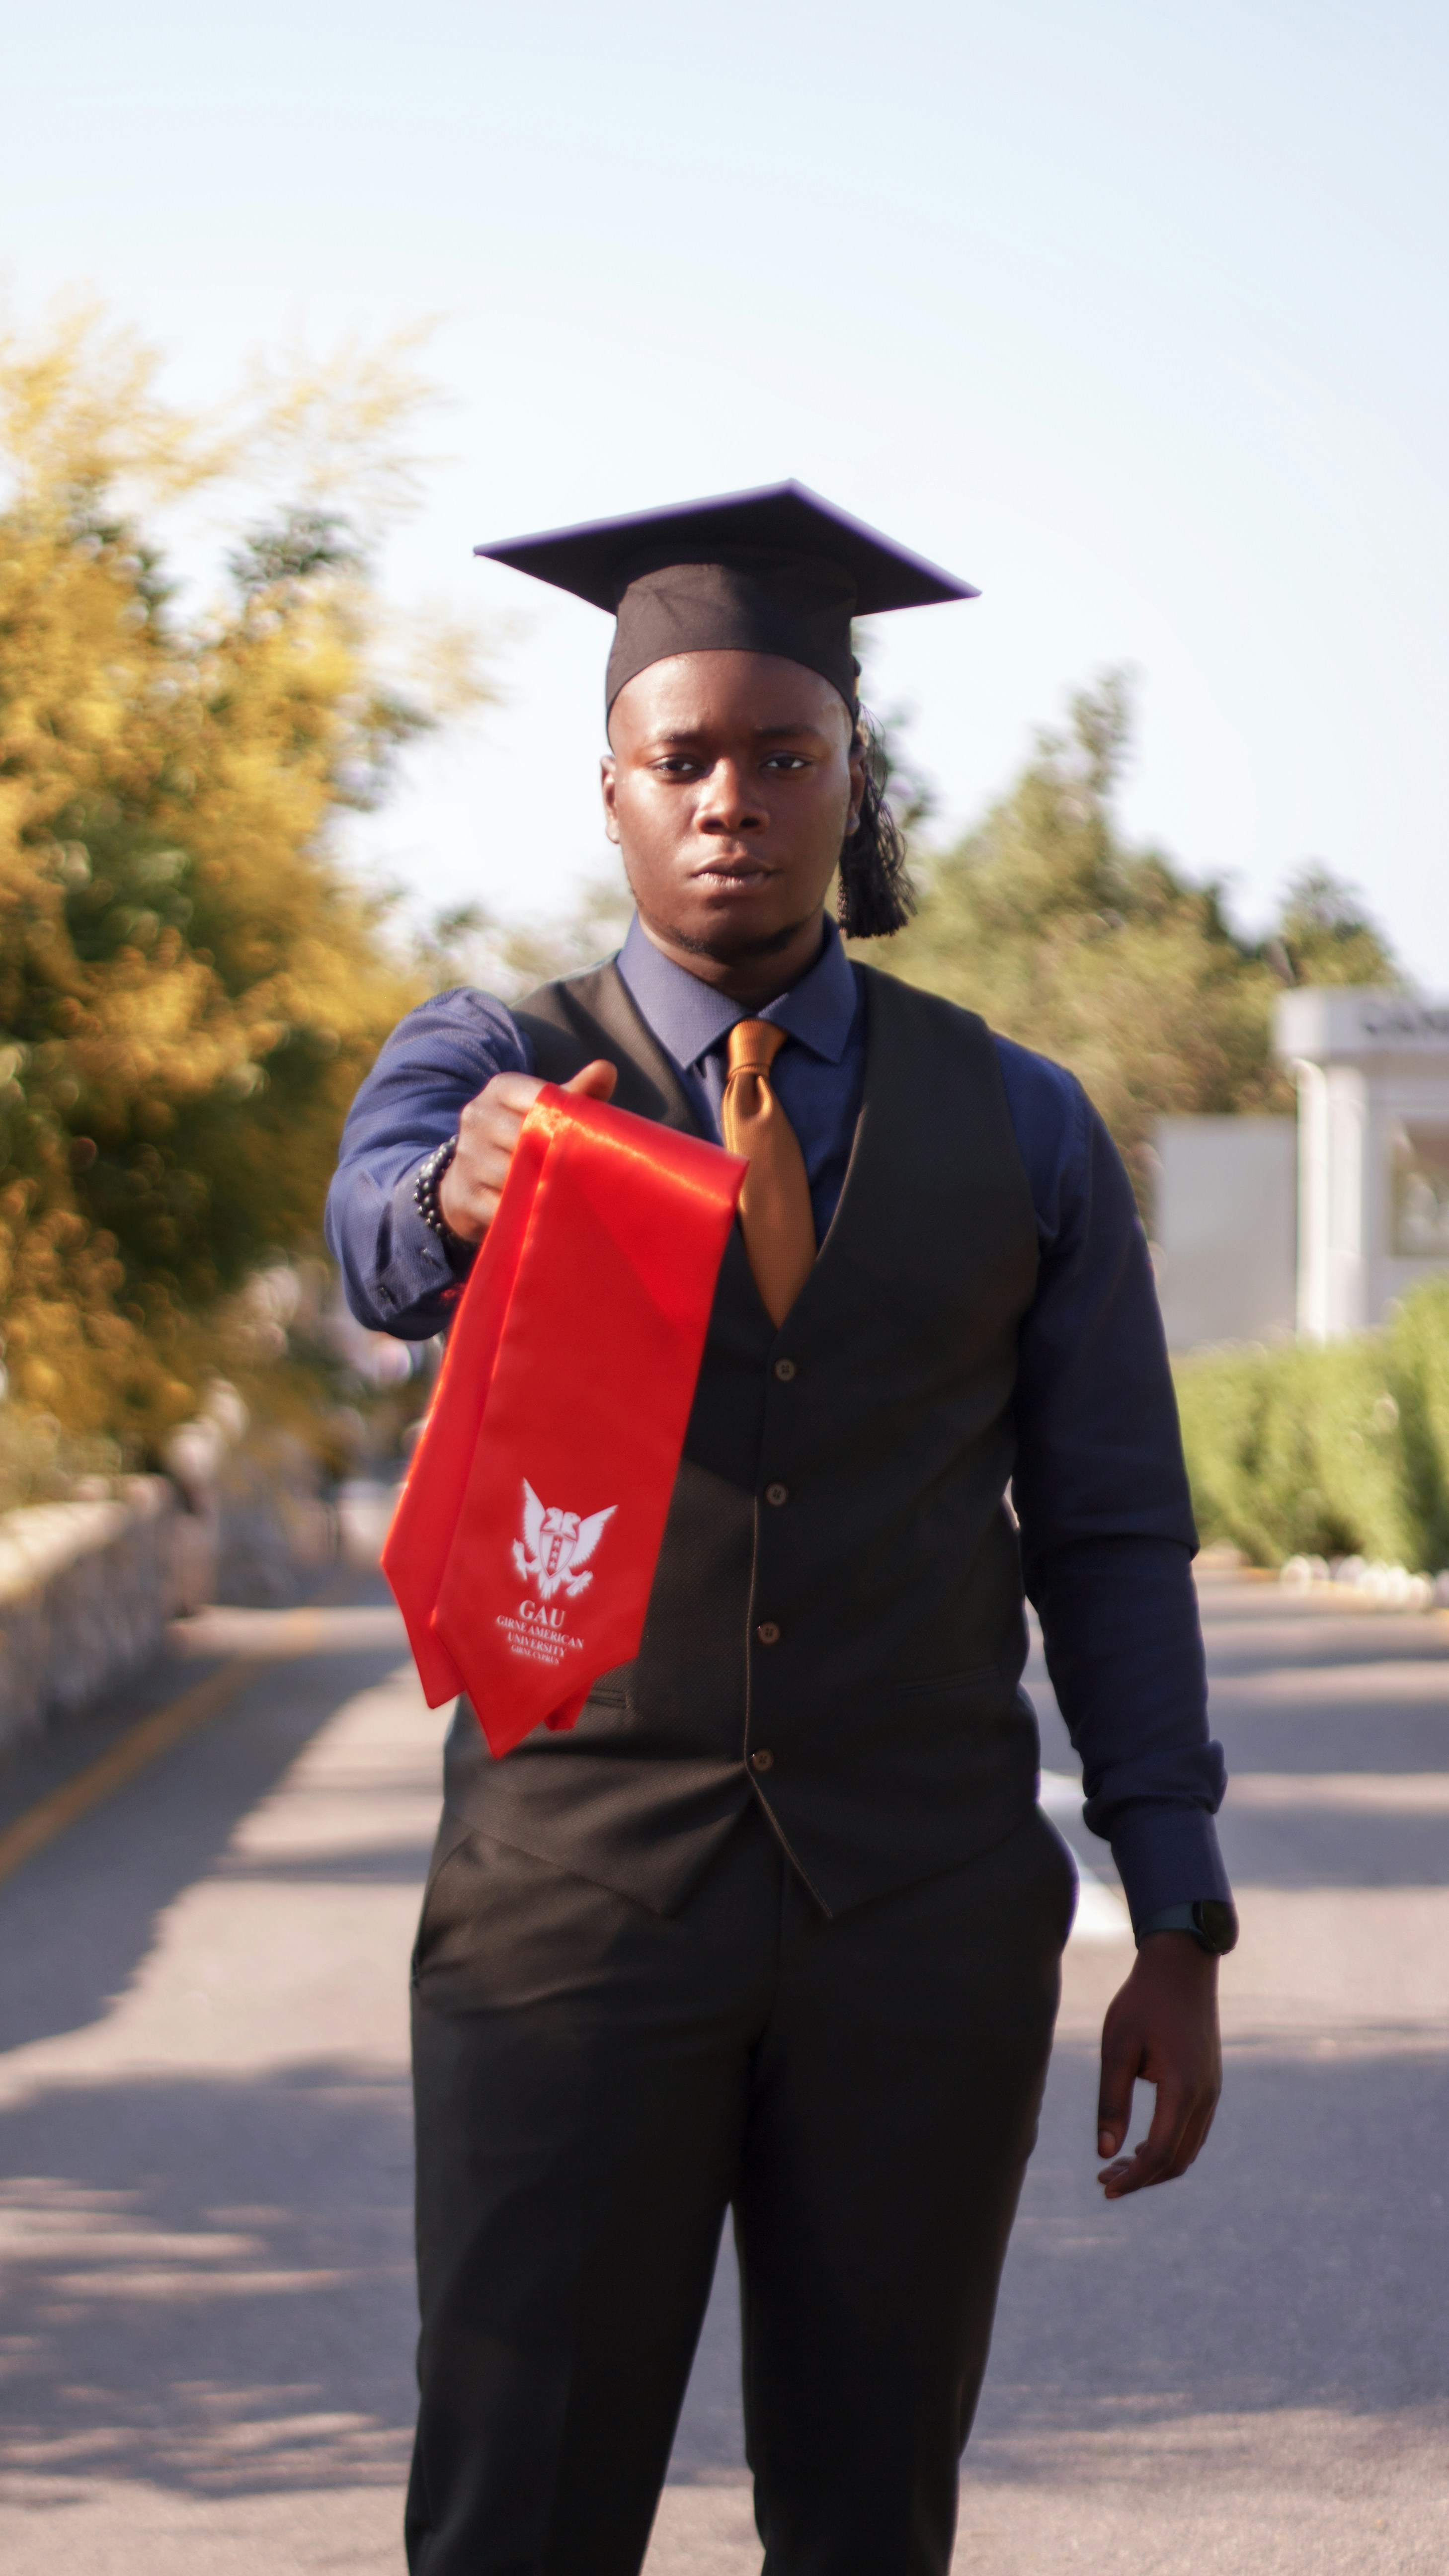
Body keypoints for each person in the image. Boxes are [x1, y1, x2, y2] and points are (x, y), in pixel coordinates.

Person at [326, 483, 1236, 2576]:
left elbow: (1111, 1534)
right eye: (682, 761)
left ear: (851, 775)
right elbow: (378, 1234)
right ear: (613, 792)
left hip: (918, 1920)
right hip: (571, 1914)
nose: (730, 799)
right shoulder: (496, 1063)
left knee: (868, 2525)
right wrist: (454, 1194)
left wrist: (1176, 1912)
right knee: (516, 2520)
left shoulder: (1020, 1120)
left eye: (782, 753)